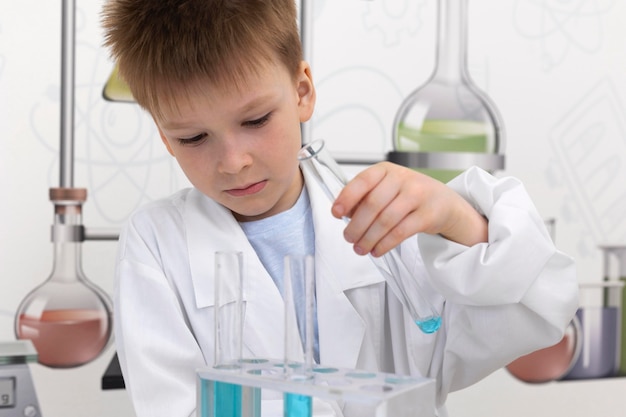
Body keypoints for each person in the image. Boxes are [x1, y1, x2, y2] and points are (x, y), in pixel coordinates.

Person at [101, 1, 578, 416]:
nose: (233, 162)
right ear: (165, 136)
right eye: (193, 138)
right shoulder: (156, 245)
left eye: (256, 119)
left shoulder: (388, 214)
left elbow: (534, 314)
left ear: (302, 91)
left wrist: (457, 218)